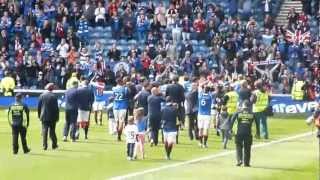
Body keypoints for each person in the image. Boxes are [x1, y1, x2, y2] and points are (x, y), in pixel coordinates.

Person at [231, 100, 255, 167]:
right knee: (247, 148)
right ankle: (246, 163)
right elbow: (256, 124)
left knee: (238, 146)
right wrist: (258, 132)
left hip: (239, 132)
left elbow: (232, 121)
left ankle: (239, 160)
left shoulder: (238, 112)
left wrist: (230, 130)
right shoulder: (252, 113)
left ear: (243, 105)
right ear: (249, 106)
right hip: (248, 132)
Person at [38, 83, 59, 150]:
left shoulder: (42, 96)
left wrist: (39, 115)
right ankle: (54, 144)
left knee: (44, 131)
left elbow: (39, 107)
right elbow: (56, 108)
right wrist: (57, 117)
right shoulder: (54, 96)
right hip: (52, 117)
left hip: (44, 116)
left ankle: (45, 146)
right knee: (52, 131)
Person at [166, 75, 185, 143]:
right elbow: (183, 97)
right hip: (177, 105)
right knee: (177, 122)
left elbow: (166, 96)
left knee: (169, 120)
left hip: (169, 105)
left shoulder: (168, 86)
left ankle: (167, 137)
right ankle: (176, 138)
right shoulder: (180, 87)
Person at [198, 82, 213, 148]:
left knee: (200, 129)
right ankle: (204, 144)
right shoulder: (210, 96)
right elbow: (211, 92)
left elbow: (200, 86)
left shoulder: (200, 95)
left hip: (200, 114)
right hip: (207, 115)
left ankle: (200, 143)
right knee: (206, 129)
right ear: (209, 91)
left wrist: (206, 82)